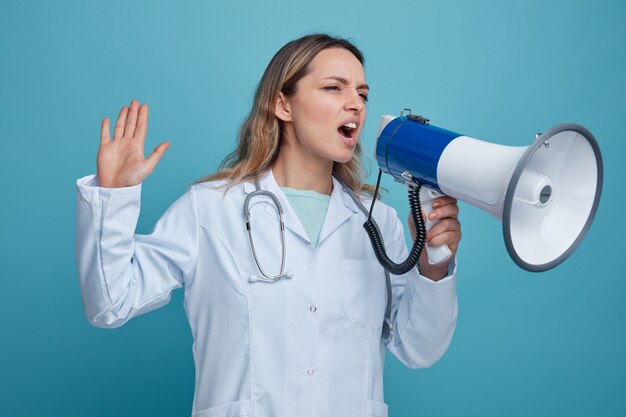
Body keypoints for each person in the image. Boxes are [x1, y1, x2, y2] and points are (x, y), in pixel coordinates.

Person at [76, 33, 461, 417]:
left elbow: (419, 349)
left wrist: (433, 266)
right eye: (333, 88)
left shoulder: (380, 221)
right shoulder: (211, 208)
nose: (355, 105)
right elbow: (110, 303)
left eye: (362, 94)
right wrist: (115, 195)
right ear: (283, 104)